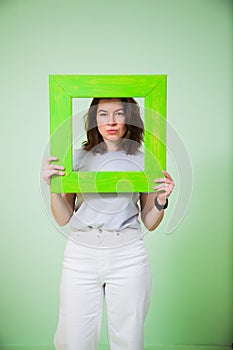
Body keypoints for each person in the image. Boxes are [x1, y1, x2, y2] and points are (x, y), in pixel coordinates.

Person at [42, 98, 175, 350]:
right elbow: (63, 217)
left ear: (131, 117)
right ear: (94, 119)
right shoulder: (77, 158)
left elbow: (149, 221)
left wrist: (160, 200)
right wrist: (53, 189)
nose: (111, 121)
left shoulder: (145, 159)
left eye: (118, 113)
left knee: (129, 337)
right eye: (102, 114)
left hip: (127, 252)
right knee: (74, 338)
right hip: (81, 253)